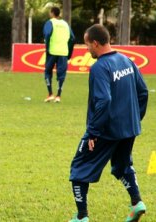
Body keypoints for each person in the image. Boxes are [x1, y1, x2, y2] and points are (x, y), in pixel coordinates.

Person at [68, 24, 148, 222]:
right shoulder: (128, 61)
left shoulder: (100, 67)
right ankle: (137, 202)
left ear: (95, 43)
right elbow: (143, 92)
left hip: (105, 131)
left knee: (79, 168)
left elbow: (104, 100)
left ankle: (81, 216)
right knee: (121, 166)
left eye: (87, 45)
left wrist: (93, 132)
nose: (86, 49)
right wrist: (134, 120)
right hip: (128, 129)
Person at [43, 6, 75, 103]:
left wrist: (47, 47)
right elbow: (73, 38)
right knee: (61, 74)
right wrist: (69, 52)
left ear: (52, 13)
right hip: (63, 53)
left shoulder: (50, 22)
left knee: (48, 72)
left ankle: (50, 94)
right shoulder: (65, 24)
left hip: (52, 51)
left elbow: (47, 34)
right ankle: (58, 96)